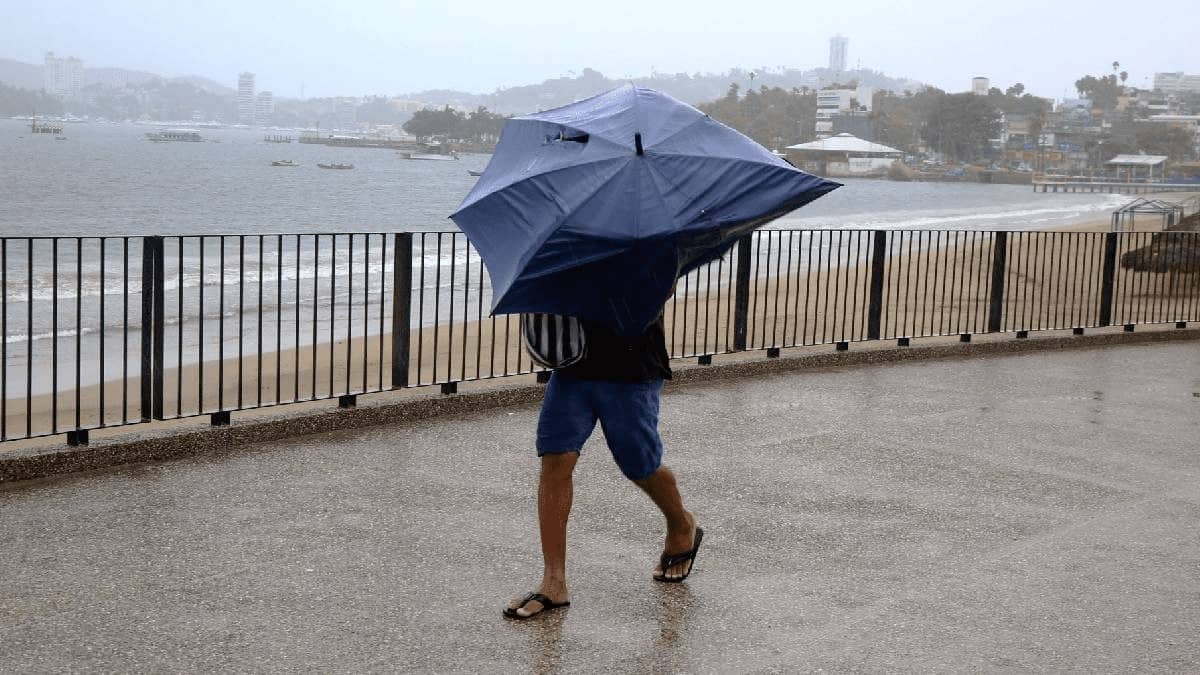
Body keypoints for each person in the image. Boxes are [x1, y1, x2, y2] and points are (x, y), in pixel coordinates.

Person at [504, 313, 703, 620]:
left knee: (640, 464)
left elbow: (658, 290)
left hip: (632, 364)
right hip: (573, 363)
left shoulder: (648, 261)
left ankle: (681, 523)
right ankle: (554, 582)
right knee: (556, 458)